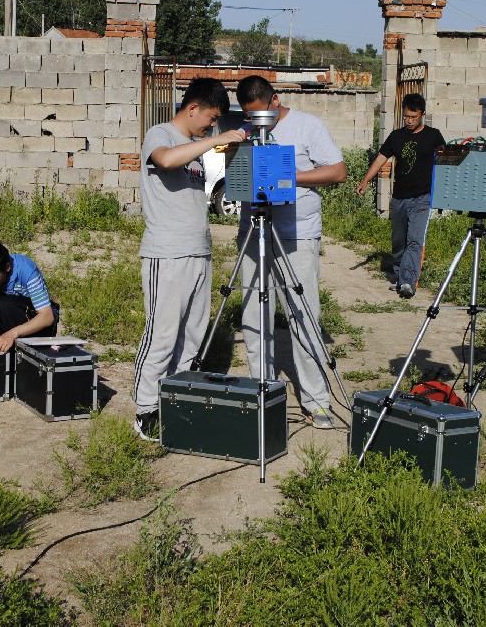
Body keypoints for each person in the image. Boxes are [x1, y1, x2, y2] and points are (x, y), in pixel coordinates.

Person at [132, 78, 247, 441]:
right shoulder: (160, 133)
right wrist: (214, 141)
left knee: (192, 333)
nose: (212, 126)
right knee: (162, 334)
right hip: (167, 252)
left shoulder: (196, 146)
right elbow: (165, 160)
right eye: (211, 118)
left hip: (199, 250)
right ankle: (145, 408)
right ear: (193, 107)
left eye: (215, 123)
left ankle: (175, 395)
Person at [236, 75, 347, 429]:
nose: (257, 123)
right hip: (254, 233)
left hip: (297, 235)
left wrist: (288, 176)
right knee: (255, 316)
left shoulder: (308, 126)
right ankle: (262, 392)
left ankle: (316, 401)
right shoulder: (244, 131)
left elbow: (339, 172)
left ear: (275, 100)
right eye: (250, 117)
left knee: (303, 315)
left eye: (261, 115)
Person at [357, 93, 446, 299]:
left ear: (422, 115)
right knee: (398, 242)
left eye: (413, 117)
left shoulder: (433, 135)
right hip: (398, 198)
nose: (409, 121)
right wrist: (365, 180)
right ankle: (399, 276)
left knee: (414, 241)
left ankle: (408, 282)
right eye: (406, 116)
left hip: (422, 197)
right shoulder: (396, 136)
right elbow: (381, 158)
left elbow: (445, 159)